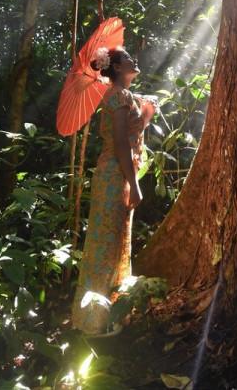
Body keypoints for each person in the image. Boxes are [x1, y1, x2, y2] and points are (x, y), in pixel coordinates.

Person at [71, 45, 158, 336]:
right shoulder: (117, 95)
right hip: (115, 174)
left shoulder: (123, 96)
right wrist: (133, 184)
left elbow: (131, 134)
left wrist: (145, 116)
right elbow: (121, 142)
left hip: (119, 172)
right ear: (118, 67)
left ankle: (109, 314)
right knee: (105, 245)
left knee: (115, 241)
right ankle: (94, 320)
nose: (135, 60)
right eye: (129, 57)